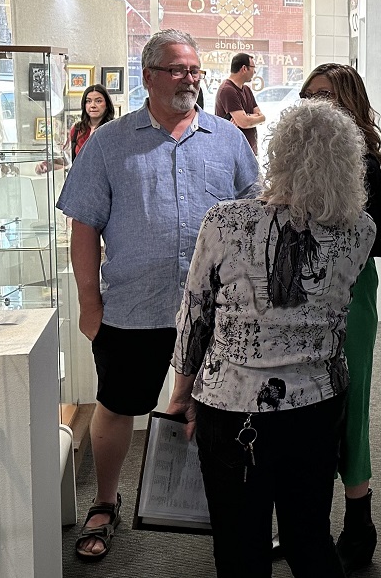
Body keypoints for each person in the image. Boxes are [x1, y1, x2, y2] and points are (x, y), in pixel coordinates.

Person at [56, 29, 259, 562]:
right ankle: (104, 502)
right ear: (148, 76)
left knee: (226, 414)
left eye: (194, 70)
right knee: (118, 406)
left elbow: (256, 215)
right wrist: (90, 306)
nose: (189, 79)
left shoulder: (227, 139)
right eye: (177, 69)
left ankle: (227, 506)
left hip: (218, 313)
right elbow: (84, 227)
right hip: (133, 308)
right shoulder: (109, 143)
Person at [167, 98, 376, 578]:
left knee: (240, 547)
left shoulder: (224, 221)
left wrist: (181, 394)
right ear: (349, 163)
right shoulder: (360, 231)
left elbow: (195, 315)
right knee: (310, 537)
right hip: (317, 406)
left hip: (231, 408)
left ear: (277, 153)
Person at [278, 62, 381, 572]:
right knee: (304, 405)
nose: (316, 104)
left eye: (326, 95)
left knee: (351, 403)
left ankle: (359, 524)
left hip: (350, 289)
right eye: (310, 95)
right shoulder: (295, 156)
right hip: (301, 289)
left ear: (349, 101)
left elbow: (362, 228)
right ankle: (308, 526)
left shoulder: (362, 161)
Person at [36, 83, 114, 174]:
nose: (93, 105)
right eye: (88, 101)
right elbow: (67, 159)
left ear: (107, 104)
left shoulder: (114, 129)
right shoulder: (77, 129)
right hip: (81, 179)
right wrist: (47, 165)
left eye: (98, 101)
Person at [214, 52, 266, 154]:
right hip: (233, 153)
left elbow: (262, 118)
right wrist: (250, 118)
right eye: (253, 68)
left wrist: (248, 116)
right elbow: (244, 123)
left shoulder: (247, 89)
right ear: (244, 68)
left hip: (249, 151)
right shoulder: (227, 90)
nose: (255, 72)